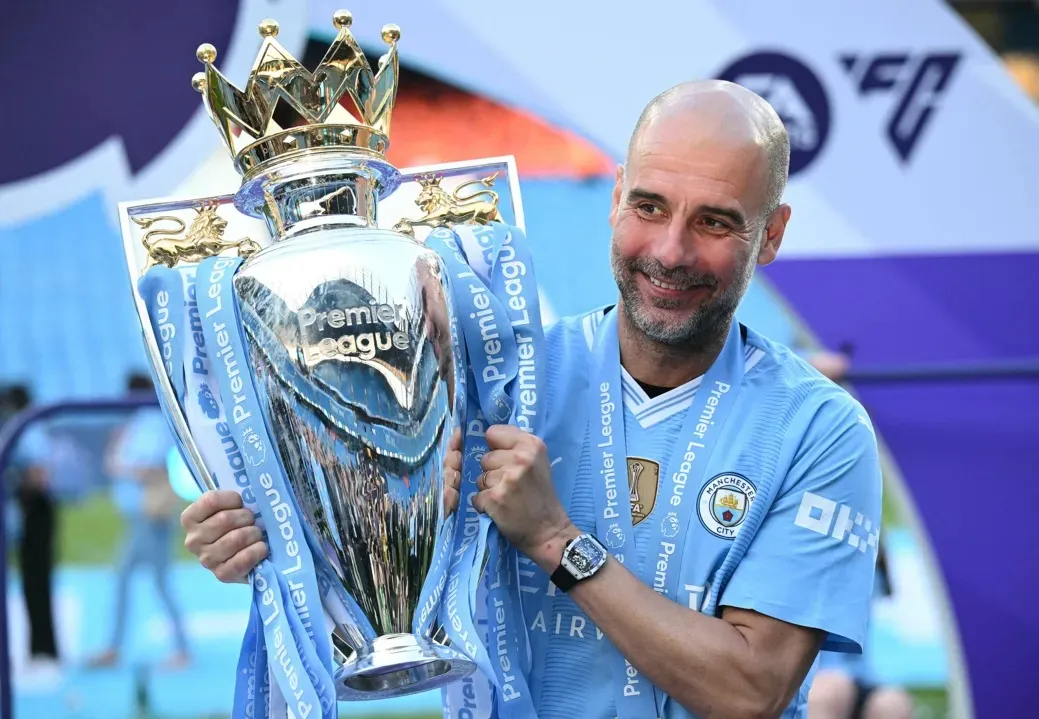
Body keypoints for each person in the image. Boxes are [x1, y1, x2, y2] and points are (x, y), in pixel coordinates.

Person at [178, 79, 882, 718]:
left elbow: (750, 690)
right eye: (649, 206)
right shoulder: (497, 378)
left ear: (771, 235)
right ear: (614, 201)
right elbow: (385, 579)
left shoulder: (817, 427)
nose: (670, 250)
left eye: (715, 222)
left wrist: (554, 540)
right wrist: (275, 540)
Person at [85, 374, 190, 669]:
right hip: (141, 516)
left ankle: (119, 647)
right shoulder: (139, 423)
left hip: (150, 516)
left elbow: (151, 465)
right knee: (154, 581)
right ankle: (173, 647)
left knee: (138, 579)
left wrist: (122, 465)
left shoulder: (151, 421)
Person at [807, 547, 914, 719]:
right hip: (814, 676)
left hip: (861, 675)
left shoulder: (871, 576)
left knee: (892, 705)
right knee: (828, 691)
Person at [1, 385, 60, 671]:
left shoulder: (27, 429)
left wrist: (18, 479)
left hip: (35, 508)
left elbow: (40, 476)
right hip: (31, 507)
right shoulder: (30, 427)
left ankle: (43, 649)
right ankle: (40, 648)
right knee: (33, 582)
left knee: (36, 581)